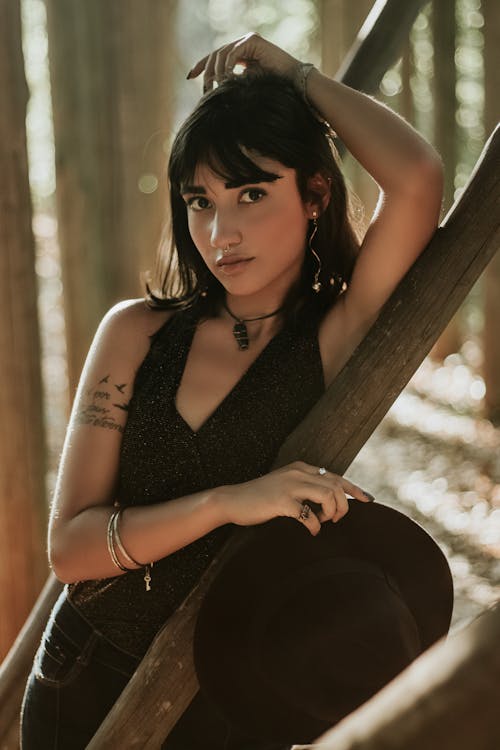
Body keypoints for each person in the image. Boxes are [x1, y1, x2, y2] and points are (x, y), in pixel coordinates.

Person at [20, 32, 444, 750]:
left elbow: (417, 177)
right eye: (201, 202)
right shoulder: (137, 334)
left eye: (251, 193)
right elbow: (69, 549)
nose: (222, 232)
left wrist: (295, 73)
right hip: (85, 674)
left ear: (315, 194)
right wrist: (228, 502)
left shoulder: (333, 334)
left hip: (231, 696)